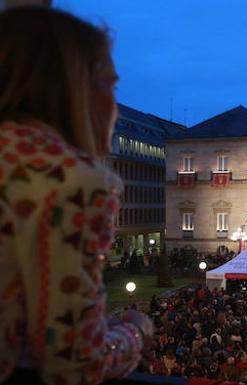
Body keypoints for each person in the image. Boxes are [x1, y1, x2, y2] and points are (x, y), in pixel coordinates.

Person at [0, 6, 152, 385]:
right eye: (110, 85)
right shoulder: (72, 180)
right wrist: (136, 331)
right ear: (75, 88)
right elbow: (76, 363)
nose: (115, 106)